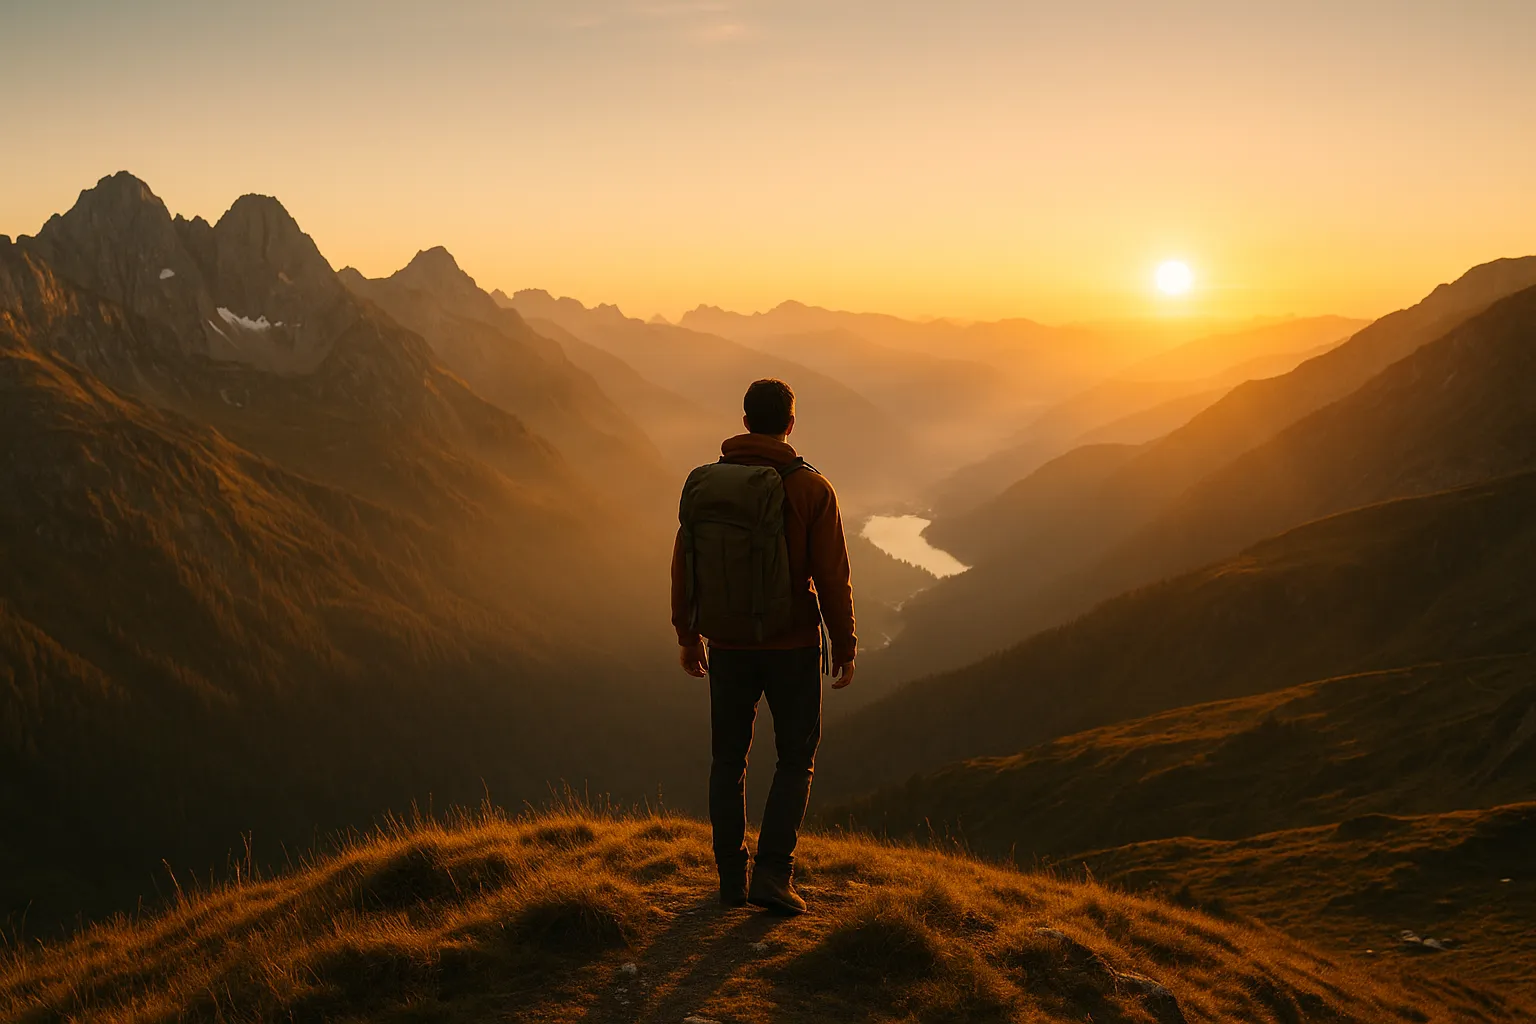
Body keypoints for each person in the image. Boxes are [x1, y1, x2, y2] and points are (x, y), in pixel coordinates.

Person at [671, 378, 856, 915]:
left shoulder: (707, 484)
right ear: (790, 424)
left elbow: (684, 564)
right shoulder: (811, 489)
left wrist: (688, 634)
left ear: (745, 420)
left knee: (728, 760)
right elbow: (833, 575)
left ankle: (731, 877)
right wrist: (844, 645)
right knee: (795, 760)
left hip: (727, 642)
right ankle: (773, 875)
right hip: (792, 644)